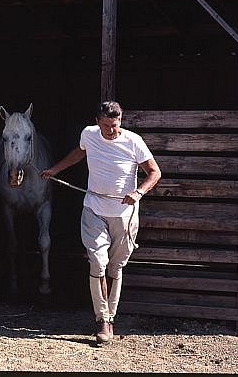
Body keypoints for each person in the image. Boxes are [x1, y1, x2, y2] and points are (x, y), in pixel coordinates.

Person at [40, 101, 161, 344]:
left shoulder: (133, 141)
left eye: (115, 126)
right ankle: (102, 320)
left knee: (115, 268)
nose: (112, 131)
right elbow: (80, 152)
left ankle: (111, 317)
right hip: (93, 209)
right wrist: (54, 170)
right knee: (97, 262)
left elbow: (154, 172)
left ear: (121, 121)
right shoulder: (89, 134)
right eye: (107, 126)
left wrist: (138, 192)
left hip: (124, 215)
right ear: (97, 122)